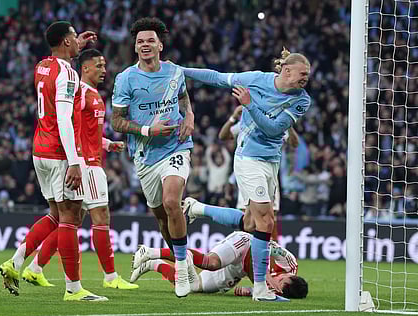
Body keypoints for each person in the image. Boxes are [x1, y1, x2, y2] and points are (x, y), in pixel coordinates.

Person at [180, 47, 311, 302]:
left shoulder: (301, 99)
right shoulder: (256, 79)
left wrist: (250, 105)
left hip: (271, 163)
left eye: (308, 74)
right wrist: (180, 70)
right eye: (302, 73)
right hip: (248, 159)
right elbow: (217, 77)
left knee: (251, 224)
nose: (306, 78)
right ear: (286, 70)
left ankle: (197, 208)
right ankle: (261, 289)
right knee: (266, 223)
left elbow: (273, 129)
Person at [0, 21, 107, 302]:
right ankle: (74, 289)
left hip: (40, 150)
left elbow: (56, 74)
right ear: (66, 42)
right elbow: (64, 117)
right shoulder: (69, 74)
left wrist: (74, 48)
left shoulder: (42, 66)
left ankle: (15, 263)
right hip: (60, 154)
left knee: (56, 216)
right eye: (73, 36)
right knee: (71, 217)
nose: (76, 39)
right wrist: (74, 161)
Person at [21, 49, 138, 290]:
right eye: (99, 66)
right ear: (85, 68)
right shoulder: (81, 92)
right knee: (100, 216)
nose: (104, 70)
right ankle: (110, 277)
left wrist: (106, 143)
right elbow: (70, 123)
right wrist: (78, 158)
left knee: (71, 220)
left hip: (89, 158)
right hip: (87, 164)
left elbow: (86, 130)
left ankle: (35, 267)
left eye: (104, 66)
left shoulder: (93, 94)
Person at [111, 17, 197, 297]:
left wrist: (190, 117)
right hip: (146, 155)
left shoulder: (175, 72)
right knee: (162, 216)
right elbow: (116, 122)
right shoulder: (126, 79)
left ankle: (182, 270)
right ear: (135, 48)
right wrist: (148, 129)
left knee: (173, 202)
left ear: (160, 45)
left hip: (177, 146)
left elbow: (183, 98)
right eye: (140, 42)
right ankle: (182, 261)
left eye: (150, 40)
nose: (145, 45)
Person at [130, 232, 307, 299]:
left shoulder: (280, 290)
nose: (278, 283)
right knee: (210, 263)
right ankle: (151, 252)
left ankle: (153, 264)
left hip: (240, 269)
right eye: (282, 280)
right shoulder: (289, 262)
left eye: (280, 287)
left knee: (195, 286)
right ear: (290, 276)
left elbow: (247, 290)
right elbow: (263, 245)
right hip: (244, 244)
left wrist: (249, 290)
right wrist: (264, 276)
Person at [218, 104, 299, 240]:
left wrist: (287, 121)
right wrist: (233, 117)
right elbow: (223, 136)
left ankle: (269, 259)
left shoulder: (276, 124)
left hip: (269, 174)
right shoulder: (248, 122)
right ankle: (245, 257)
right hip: (249, 173)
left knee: (270, 220)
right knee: (247, 222)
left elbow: (294, 143)